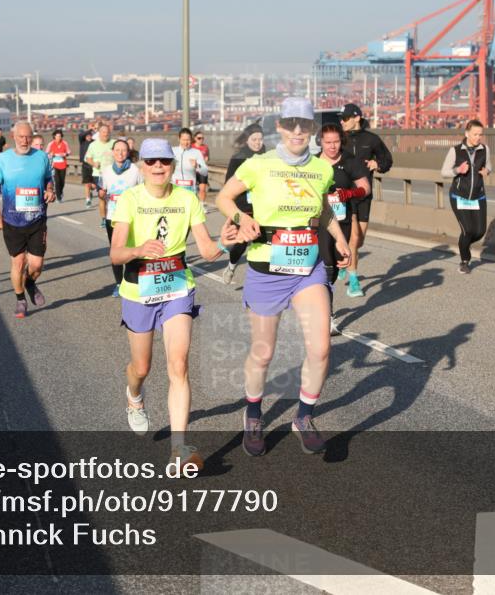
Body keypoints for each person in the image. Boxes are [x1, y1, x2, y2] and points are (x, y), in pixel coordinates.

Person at [216, 97, 351, 457]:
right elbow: (224, 197)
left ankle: (303, 417)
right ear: (279, 126)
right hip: (266, 269)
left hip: (308, 268)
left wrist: (339, 239)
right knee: (263, 353)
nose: (296, 131)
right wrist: (241, 219)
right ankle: (254, 414)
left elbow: (322, 208)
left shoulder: (321, 169)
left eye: (304, 125)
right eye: (290, 124)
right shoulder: (259, 165)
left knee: (321, 346)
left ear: (312, 130)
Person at [109, 138, 236, 473]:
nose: (157, 167)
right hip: (138, 289)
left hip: (178, 286)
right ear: (142, 165)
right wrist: (139, 250)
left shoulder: (187, 198)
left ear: (172, 163)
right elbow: (116, 253)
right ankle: (134, 396)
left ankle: (178, 449)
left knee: (178, 365)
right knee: (142, 367)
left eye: (163, 161)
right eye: (150, 162)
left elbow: (207, 251)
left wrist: (225, 242)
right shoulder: (130, 199)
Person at [0, 122, 55, 318]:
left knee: (36, 265)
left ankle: (30, 283)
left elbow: (48, 179)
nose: (25, 141)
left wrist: (50, 190)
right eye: (21, 137)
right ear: (13, 136)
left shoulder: (41, 157)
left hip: (37, 220)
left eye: (28, 137)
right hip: (12, 220)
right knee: (18, 263)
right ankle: (20, 300)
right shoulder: (3, 159)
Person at [318, 123, 369, 334]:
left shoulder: (350, 161)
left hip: (343, 221)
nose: (332, 146)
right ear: (320, 142)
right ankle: (327, 316)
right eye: (328, 142)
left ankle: (320, 303)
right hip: (319, 223)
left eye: (336, 142)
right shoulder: (312, 162)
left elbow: (365, 187)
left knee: (336, 268)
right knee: (326, 266)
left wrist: (350, 194)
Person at [339, 103, 393, 297]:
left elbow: (387, 160)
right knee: (353, 239)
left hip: (364, 195)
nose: (342, 122)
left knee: (359, 240)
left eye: (345, 118)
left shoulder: (371, 139)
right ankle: (353, 281)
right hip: (344, 195)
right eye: (341, 119)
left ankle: (344, 256)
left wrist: (377, 164)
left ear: (357, 118)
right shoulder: (339, 139)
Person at [441, 119, 491, 274]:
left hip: (478, 196)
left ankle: (464, 243)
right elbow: (444, 172)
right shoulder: (455, 150)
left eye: (480, 134)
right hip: (459, 196)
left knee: (480, 231)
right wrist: (458, 170)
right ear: (467, 133)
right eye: (475, 134)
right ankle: (464, 261)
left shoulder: (484, 149)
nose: (478, 137)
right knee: (468, 230)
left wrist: (487, 171)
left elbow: (489, 165)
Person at [99, 139, 143, 296]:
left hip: (132, 218)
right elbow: (101, 190)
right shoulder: (106, 171)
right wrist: (101, 194)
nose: (120, 153)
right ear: (112, 152)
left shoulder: (135, 170)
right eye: (117, 150)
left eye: (123, 150)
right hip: (113, 216)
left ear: (128, 152)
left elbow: (142, 191)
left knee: (131, 250)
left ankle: (132, 282)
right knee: (115, 251)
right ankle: (118, 283)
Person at [222, 123, 265, 284]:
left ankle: (259, 279)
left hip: (262, 207)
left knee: (262, 243)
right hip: (243, 207)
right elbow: (228, 185)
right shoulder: (238, 158)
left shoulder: (267, 157)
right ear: (247, 140)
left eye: (260, 139)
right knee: (240, 243)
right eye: (254, 139)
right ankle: (231, 266)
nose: (257, 142)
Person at [85, 123, 116, 227]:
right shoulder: (93, 145)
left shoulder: (114, 143)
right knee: (102, 197)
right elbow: (87, 158)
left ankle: (113, 217)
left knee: (113, 197)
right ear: (99, 133)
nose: (105, 134)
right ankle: (104, 218)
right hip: (99, 174)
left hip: (114, 174)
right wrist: (94, 163)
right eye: (103, 132)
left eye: (107, 132)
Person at [171, 128, 208, 201]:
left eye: (188, 140)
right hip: (175, 187)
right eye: (183, 140)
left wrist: (197, 166)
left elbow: (205, 171)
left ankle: (202, 205)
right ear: (179, 139)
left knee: (188, 211)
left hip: (190, 188)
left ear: (191, 139)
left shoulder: (196, 152)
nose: (185, 142)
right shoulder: (172, 151)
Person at [47, 129, 70, 203]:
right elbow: (46, 153)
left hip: (63, 164)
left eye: (60, 136)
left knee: (62, 181)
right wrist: (51, 154)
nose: (59, 137)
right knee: (57, 181)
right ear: (54, 136)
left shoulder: (65, 143)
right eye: (57, 136)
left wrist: (64, 154)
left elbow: (69, 152)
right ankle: (58, 197)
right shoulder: (51, 144)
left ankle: (60, 192)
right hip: (55, 165)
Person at [79, 125, 97, 208]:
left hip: (93, 166)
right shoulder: (82, 142)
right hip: (85, 166)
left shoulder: (94, 142)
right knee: (87, 184)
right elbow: (81, 135)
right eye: (88, 135)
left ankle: (90, 192)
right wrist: (91, 129)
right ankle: (88, 200)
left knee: (93, 186)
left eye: (90, 135)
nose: (89, 137)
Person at [192, 131, 210, 205]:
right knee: (193, 190)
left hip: (202, 170)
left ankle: (202, 205)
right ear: (195, 138)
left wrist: (206, 159)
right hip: (192, 171)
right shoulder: (191, 147)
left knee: (202, 189)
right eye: (199, 138)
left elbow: (207, 157)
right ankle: (194, 204)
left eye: (202, 138)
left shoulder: (205, 147)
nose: (201, 140)